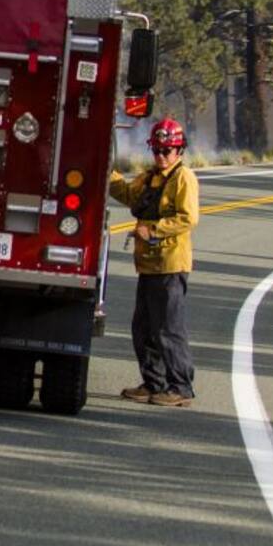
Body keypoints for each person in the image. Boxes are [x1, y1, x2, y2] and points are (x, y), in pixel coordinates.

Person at [108, 117, 200, 408]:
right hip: (148, 265)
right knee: (144, 327)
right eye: (157, 150)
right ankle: (153, 383)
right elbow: (128, 194)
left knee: (169, 328)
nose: (161, 156)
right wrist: (107, 174)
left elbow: (188, 218)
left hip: (170, 265)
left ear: (179, 151)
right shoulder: (149, 177)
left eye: (167, 151)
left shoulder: (183, 178)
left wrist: (154, 230)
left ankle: (181, 387)